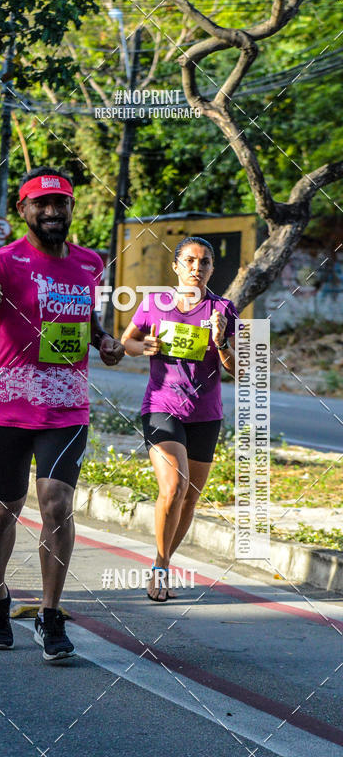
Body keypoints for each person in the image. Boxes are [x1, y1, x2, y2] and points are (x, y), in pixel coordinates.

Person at [0, 166, 124, 660]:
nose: (51, 212)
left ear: (71, 208)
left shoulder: (90, 263)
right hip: (6, 407)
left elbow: (87, 322)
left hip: (67, 407)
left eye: (60, 203)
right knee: (3, 509)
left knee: (56, 505)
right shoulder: (1, 262)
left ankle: (50, 614)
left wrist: (105, 341)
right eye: (40, 204)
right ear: (24, 209)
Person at [121, 236, 238, 602]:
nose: (196, 268)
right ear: (175, 266)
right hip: (162, 407)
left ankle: (166, 561)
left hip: (205, 415)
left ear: (212, 269)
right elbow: (127, 342)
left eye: (204, 262)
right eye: (189, 260)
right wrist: (144, 347)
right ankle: (159, 567)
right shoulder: (155, 303)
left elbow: (239, 368)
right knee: (174, 487)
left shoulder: (223, 309)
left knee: (189, 499)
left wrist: (221, 340)